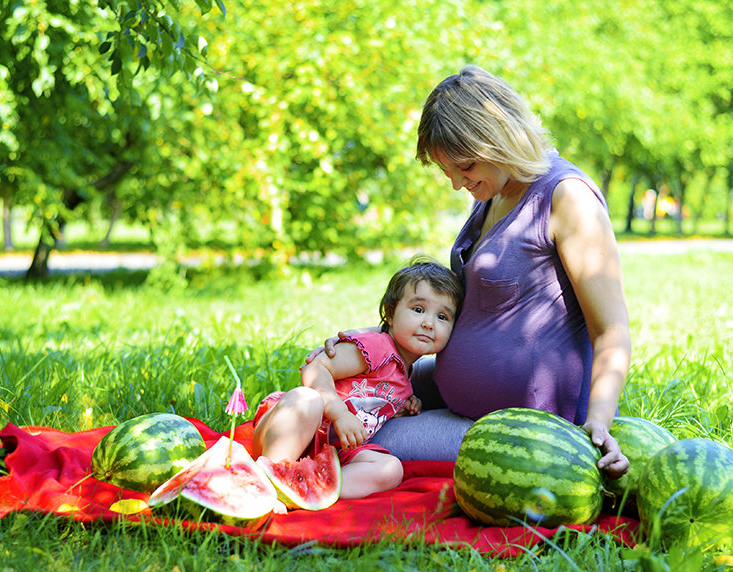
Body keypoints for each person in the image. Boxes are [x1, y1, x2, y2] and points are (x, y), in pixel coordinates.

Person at [311, 65, 632, 479]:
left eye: (463, 168)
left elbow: (612, 330)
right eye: (449, 172)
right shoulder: (494, 191)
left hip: (521, 426)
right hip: (455, 390)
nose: (457, 185)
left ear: (497, 139)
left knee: (364, 438)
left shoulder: (566, 197)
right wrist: (365, 350)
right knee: (348, 385)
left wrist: (599, 422)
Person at [252, 257, 464, 500]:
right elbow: (314, 368)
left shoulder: (407, 374)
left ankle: (309, 491)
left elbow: (369, 397)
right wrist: (339, 413)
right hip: (294, 428)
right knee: (306, 400)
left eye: (443, 317)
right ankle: (271, 481)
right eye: (418, 310)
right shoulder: (377, 347)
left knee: (390, 469)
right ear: (390, 314)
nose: (428, 323)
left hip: (335, 450)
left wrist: (400, 406)